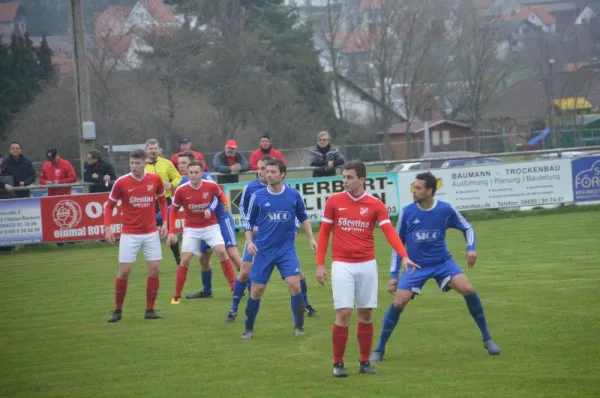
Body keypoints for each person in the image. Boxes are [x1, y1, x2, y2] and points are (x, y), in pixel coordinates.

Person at [370, 172, 500, 362]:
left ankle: (487, 338)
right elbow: (397, 244)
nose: (414, 191)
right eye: (413, 188)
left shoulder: (445, 209)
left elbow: (467, 227)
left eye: (418, 188)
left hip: (442, 263)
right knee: (398, 302)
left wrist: (470, 249)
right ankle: (379, 349)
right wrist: (393, 275)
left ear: (430, 191)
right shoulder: (407, 212)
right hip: (415, 266)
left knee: (467, 288)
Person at [315, 159, 418, 378]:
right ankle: (338, 363)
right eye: (343, 177)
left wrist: (405, 256)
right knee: (343, 312)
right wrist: (320, 265)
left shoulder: (375, 204)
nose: (345, 181)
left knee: (366, 313)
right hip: (342, 263)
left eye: (350, 177)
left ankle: (364, 362)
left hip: (367, 264)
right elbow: (324, 234)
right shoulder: (334, 201)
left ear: (362, 180)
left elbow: (390, 232)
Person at [225, 156, 317, 323]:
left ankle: (307, 305)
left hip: (280, 241)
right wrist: (251, 227)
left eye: (265, 169)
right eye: (260, 169)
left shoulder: (286, 190)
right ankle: (234, 309)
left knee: (298, 276)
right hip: (256, 238)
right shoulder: (251, 188)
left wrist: (295, 228)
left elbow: (294, 213)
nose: (262, 172)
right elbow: (244, 210)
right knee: (245, 272)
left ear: (279, 174)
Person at [104, 149, 169, 323]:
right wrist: (108, 228)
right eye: (132, 163)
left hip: (150, 233)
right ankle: (117, 310)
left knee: (155, 270)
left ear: (145, 163)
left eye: (137, 163)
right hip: (130, 233)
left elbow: (162, 200)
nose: (134, 166)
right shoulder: (121, 182)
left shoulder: (154, 180)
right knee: (124, 272)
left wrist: (165, 222)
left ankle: (150, 309)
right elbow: (109, 206)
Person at [167, 161, 235, 304]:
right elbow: (173, 210)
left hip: (211, 226)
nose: (193, 175)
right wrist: (172, 231)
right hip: (191, 229)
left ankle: (234, 288)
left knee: (222, 251)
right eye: (190, 172)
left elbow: (220, 194)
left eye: (196, 172)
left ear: (202, 173)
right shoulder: (181, 190)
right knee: (185, 259)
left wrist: (225, 203)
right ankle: (176, 296)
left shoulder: (210, 185)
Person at [185, 158, 244, 299]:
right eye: (180, 164)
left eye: (184, 163)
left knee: (232, 253)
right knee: (203, 259)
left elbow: (216, 196)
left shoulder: (206, 178)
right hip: (207, 224)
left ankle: (249, 285)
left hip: (221, 219)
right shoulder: (185, 182)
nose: (181, 166)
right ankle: (207, 291)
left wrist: (210, 209)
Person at [144, 139, 182, 265]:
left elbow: (178, 178)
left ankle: (178, 258)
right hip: (148, 202)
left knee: (169, 234)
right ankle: (153, 261)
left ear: (159, 150)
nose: (153, 151)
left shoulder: (166, 163)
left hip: (164, 201)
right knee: (149, 233)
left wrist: (170, 184)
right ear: (146, 150)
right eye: (151, 148)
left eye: (155, 148)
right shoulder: (142, 165)